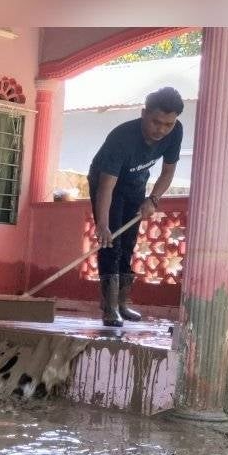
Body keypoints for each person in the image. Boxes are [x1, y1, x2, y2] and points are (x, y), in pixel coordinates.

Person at [88, 86, 184, 327]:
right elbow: (106, 187)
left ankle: (121, 303)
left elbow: (168, 171)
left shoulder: (175, 132)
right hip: (108, 184)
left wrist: (153, 199)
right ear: (144, 113)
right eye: (156, 122)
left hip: (136, 184)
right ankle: (109, 307)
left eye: (168, 124)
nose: (161, 130)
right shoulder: (121, 138)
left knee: (129, 241)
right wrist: (102, 224)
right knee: (111, 242)